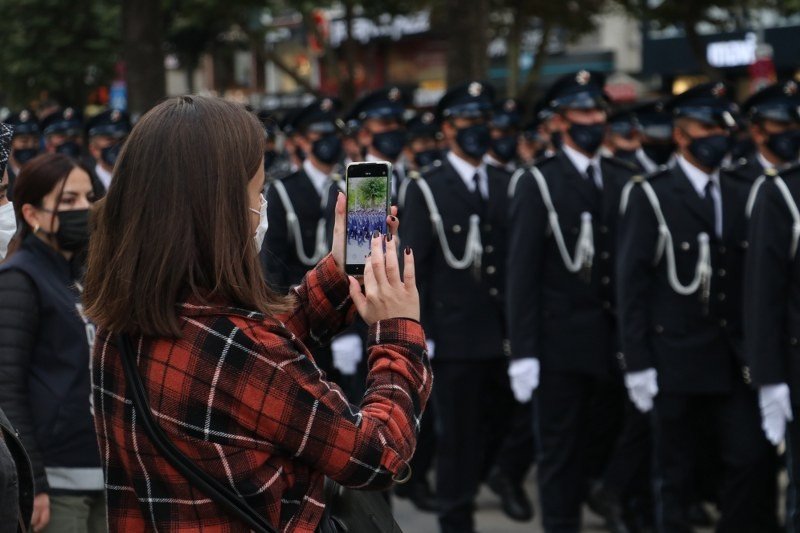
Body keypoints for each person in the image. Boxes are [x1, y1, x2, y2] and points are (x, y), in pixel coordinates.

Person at [82, 94, 431, 532]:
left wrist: (341, 272)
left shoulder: (121, 322)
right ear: (219, 209)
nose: (261, 207)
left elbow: (245, 359)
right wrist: (398, 332)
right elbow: (378, 453)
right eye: (258, 192)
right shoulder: (238, 350)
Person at [618, 82, 778, 532]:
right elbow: (633, 287)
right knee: (675, 476)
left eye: (723, 127)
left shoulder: (742, 187)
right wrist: (638, 362)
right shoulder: (652, 193)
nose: (719, 136)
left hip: (733, 358)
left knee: (749, 458)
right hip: (675, 359)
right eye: (707, 127)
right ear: (682, 135)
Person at [506, 71, 635, 533]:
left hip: (614, 342)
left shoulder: (623, 177)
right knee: (559, 459)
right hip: (559, 345)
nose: (595, 120)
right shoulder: (539, 182)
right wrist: (523, 352)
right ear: (560, 121)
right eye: (584, 111)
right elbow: (521, 276)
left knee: (609, 444)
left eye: (600, 111)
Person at [401, 80, 516, 533]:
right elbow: (417, 267)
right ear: (447, 129)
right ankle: (456, 518)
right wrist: (421, 334)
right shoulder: (428, 188)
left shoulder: (507, 183)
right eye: (468, 121)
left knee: (501, 428)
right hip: (455, 335)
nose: (479, 130)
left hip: (503, 334)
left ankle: (492, 483)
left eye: (483, 121)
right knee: (459, 438)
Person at [0, 152, 104, 533]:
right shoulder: (18, 279)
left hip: (101, 470)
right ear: (31, 214)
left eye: (87, 198)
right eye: (67, 201)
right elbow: (7, 391)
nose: (83, 209)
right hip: (57, 483)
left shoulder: (85, 277)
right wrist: (36, 484)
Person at [731, 80, 800, 182]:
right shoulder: (736, 180)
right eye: (783, 124)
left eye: (798, 124)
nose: (795, 131)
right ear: (757, 132)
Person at [85, 108, 131, 196]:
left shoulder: (138, 180)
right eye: (110, 141)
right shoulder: (85, 182)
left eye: (122, 140)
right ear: (93, 149)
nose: (118, 147)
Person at [4, 109, 41, 199]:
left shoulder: (45, 174)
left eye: (35, 141)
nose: (30, 146)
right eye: (24, 141)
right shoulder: (4, 178)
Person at [484, 98, 523, 173]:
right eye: (501, 129)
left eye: (511, 130)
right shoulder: (478, 169)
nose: (505, 135)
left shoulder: (522, 169)